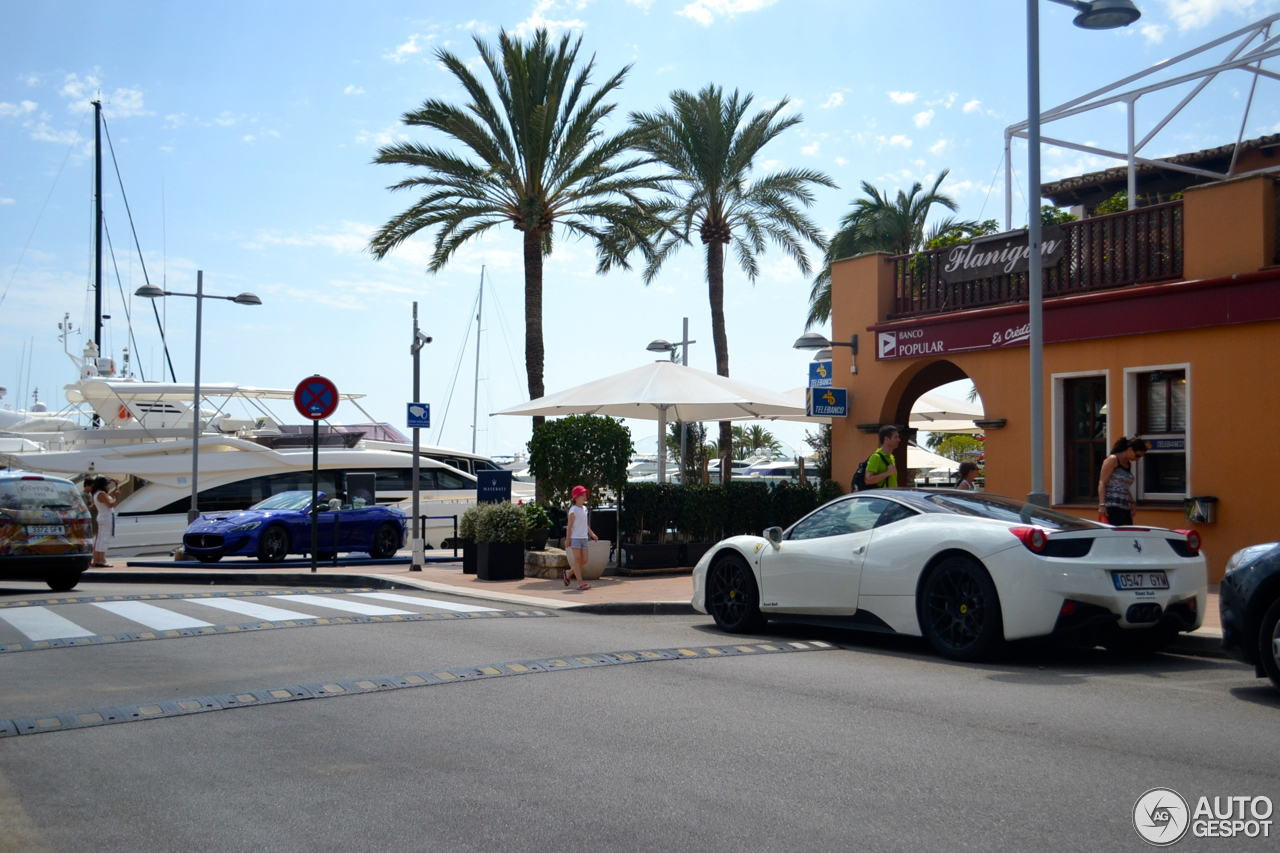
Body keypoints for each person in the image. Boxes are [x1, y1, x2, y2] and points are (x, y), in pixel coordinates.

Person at [1098, 437, 1148, 526]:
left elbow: (1123, 486)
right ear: (1130, 449)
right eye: (1137, 455)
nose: (1138, 459)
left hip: (1125, 506)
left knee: (1127, 533)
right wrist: (1102, 504)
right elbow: (1102, 483)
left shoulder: (1128, 464)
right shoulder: (1113, 459)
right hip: (1112, 506)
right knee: (1118, 534)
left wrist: (1132, 502)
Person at [563, 485, 598, 591]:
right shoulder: (573, 510)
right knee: (577, 560)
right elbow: (569, 526)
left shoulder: (585, 509)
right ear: (576, 497)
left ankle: (569, 572)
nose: (584, 497)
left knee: (585, 560)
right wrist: (568, 539)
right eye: (582, 495)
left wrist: (592, 534)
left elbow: (584, 524)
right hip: (575, 538)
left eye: (585, 495)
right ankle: (580, 582)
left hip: (584, 538)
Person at [90, 476, 121, 567]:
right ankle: (102, 559)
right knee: (106, 538)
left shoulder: (96, 494)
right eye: (107, 484)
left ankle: (97, 559)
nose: (108, 486)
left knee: (100, 538)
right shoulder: (102, 494)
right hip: (107, 516)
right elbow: (110, 504)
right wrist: (116, 497)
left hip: (101, 515)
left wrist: (113, 481)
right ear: (103, 485)